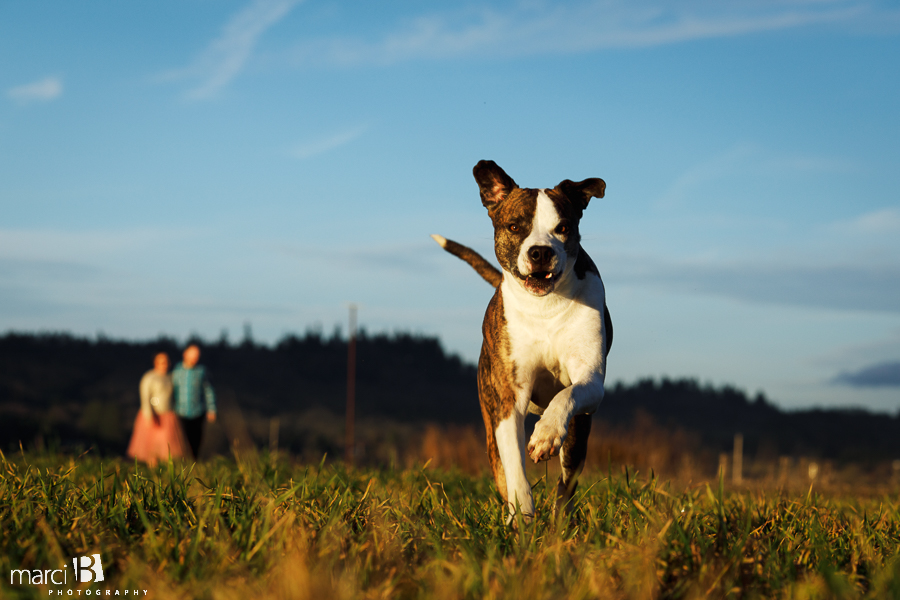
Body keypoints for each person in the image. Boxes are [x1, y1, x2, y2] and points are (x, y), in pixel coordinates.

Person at [126, 352, 189, 466]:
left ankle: (166, 472)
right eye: (161, 361)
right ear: (155, 362)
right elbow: (145, 398)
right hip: (154, 415)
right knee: (153, 446)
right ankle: (153, 470)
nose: (164, 364)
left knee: (167, 446)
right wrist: (148, 415)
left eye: (166, 361)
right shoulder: (149, 377)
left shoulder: (170, 377)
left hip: (168, 416)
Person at [171, 344, 217, 459]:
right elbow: (171, 390)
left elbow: (208, 390)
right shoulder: (177, 371)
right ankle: (183, 462)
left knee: (196, 439)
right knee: (181, 440)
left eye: (197, 356)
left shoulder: (202, 371)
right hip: (180, 412)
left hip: (198, 411)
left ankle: (195, 461)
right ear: (185, 354)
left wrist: (212, 409)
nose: (194, 358)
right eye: (192, 355)